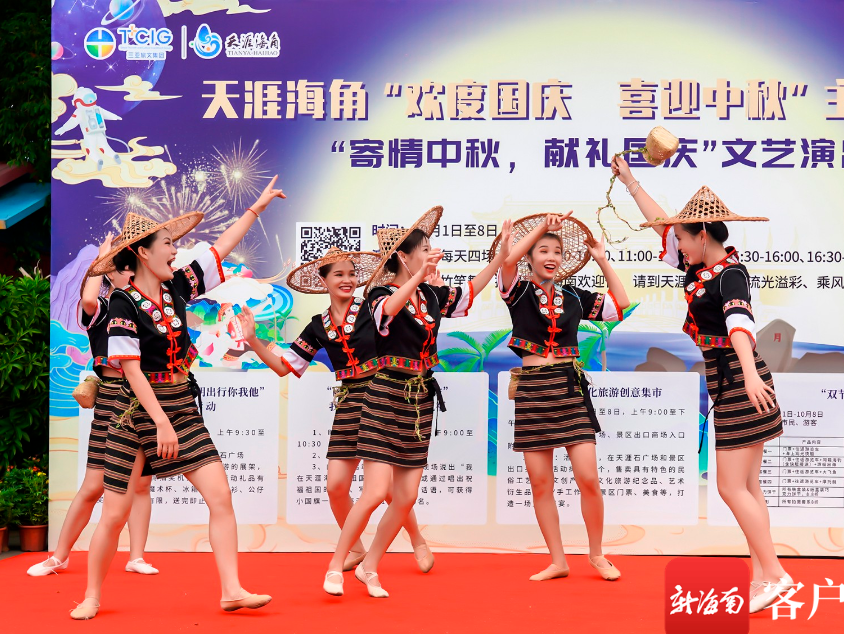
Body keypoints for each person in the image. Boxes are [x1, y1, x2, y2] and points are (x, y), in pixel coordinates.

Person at [68, 176, 286, 620]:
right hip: (133, 414)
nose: (176, 250)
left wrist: (256, 209)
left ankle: (232, 590)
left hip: (181, 405)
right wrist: (161, 424)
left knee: (220, 496)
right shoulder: (122, 303)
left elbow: (219, 250)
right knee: (115, 513)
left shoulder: (178, 287)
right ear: (142, 253)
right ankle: (91, 595)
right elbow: (131, 370)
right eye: (168, 244)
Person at [612, 155, 792, 613]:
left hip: (740, 382)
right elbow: (661, 223)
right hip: (734, 381)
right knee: (748, 487)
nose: (675, 243)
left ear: (703, 235)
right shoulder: (700, 268)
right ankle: (763, 574)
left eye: (682, 238)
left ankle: (775, 573)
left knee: (731, 488)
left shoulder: (730, 274)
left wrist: (749, 375)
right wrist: (631, 182)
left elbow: (739, 323)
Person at [323, 207, 512, 597]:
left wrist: (499, 258)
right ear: (403, 257)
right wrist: (420, 276)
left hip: (420, 398)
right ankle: (335, 567)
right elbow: (389, 312)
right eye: (424, 249)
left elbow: (470, 291)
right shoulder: (377, 295)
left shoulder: (431, 294)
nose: (432, 253)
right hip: (384, 394)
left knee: (406, 496)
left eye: (430, 248)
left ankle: (370, 568)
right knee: (376, 492)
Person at [236, 247, 435, 574]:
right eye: (339, 274)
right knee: (336, 487)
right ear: (323, 281)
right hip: (348, 402)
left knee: (386, 489)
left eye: (352, 274)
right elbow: (285, 367)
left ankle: (417, 541)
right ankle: (355, 548)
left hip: (384, 395)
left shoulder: (373, 307)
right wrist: (254, 341)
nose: (347, 280)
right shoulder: (318, 325)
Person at [494, 211, 630, 581]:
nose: (551, 257)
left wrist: (602, 260)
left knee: (588, 478)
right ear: (530, 257)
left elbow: (620, 306)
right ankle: (558, 560)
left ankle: (597, 554)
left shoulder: (574, 296)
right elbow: (506, 262)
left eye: (556, 251)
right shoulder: (517, 291)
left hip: (570, 389)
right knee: (541, 484)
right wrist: (542, 227)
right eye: (543, 250)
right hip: (533, 391)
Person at [28, 235, 158, 578]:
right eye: (120, 267)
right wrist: (100, 259)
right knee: (92, 486)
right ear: (109, 273)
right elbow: (87, 298)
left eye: (131, 267)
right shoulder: (103, 307)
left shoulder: (148, 309)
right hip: (112, 399)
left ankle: (137, 556)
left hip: (145, 399)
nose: (129, 273)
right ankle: (59, 556)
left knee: (141, 485)